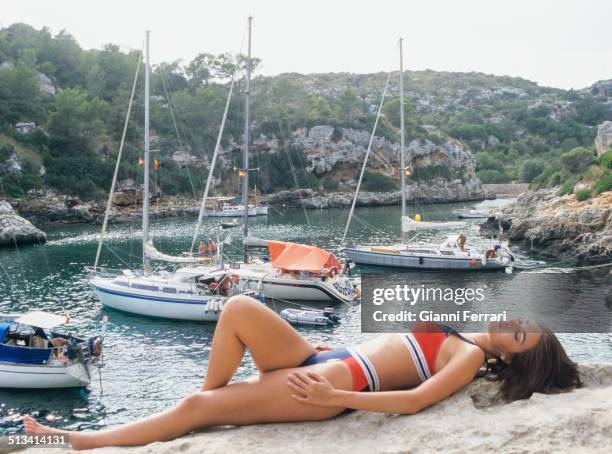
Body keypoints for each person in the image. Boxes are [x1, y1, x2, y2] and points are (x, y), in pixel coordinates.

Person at [23, 296, 581, 450]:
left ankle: (86, 441)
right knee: (239, 308)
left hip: (327, 389)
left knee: (198, 411)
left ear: (512, 357)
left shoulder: (463, 358)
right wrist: (331, 351)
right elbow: (387, 348)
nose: (517, 323)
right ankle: (202, 407)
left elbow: (412, 402)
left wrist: (337, 390)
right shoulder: (457, 332)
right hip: (324, 359)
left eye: (522, 335)